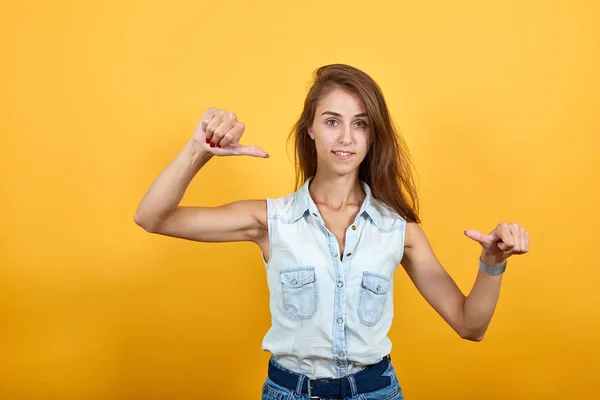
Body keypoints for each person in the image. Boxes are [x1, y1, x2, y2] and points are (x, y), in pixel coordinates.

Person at [134, 64, 529, 400]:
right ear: (310, 130)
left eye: (360, 124)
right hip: (290, 392)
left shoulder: (399, 230)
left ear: (373, 135)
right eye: (332, 121)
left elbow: (470, 326)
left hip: (376, 391)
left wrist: (492, 263)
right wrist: (199, 149)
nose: (345, 138)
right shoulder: (271, 220)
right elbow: (153, 218)